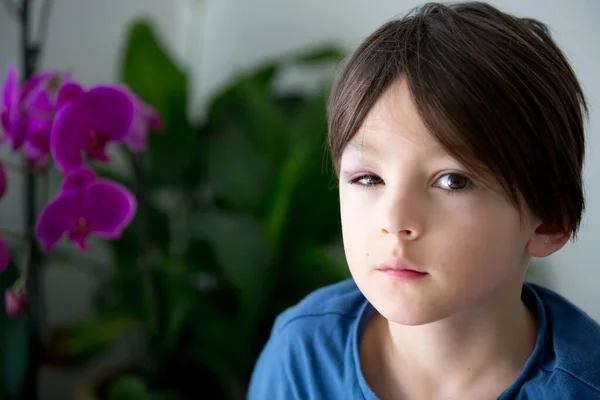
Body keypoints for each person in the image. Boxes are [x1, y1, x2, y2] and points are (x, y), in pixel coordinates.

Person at [247, 2, 600, 399]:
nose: (395, 220)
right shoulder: (303, 355)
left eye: (452, 181)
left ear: (548, 218)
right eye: (368, 178)